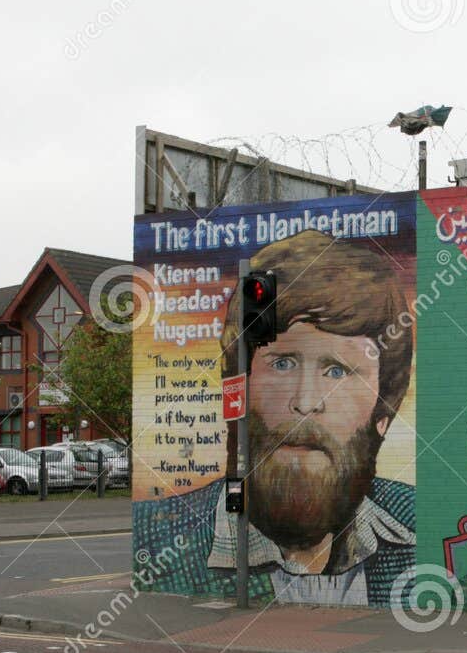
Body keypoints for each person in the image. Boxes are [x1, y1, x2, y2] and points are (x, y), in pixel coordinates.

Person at [133, 229, 414, 606]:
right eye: (282, 364)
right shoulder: (157, 536)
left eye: (337, 371)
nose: (305, 401)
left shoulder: (421, 525)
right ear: (239, 388)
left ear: (384, 412)